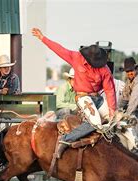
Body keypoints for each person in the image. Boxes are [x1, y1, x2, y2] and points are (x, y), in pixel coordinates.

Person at [32, 27, 116, 158]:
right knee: (95, 123)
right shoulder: (76, 58)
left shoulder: (104, 69)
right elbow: (60, 50)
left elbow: (110, 89)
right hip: (82, 97)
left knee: (114, 120)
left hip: (96, 98)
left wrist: (112, 111)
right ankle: (65, 139)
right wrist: (43, 38)